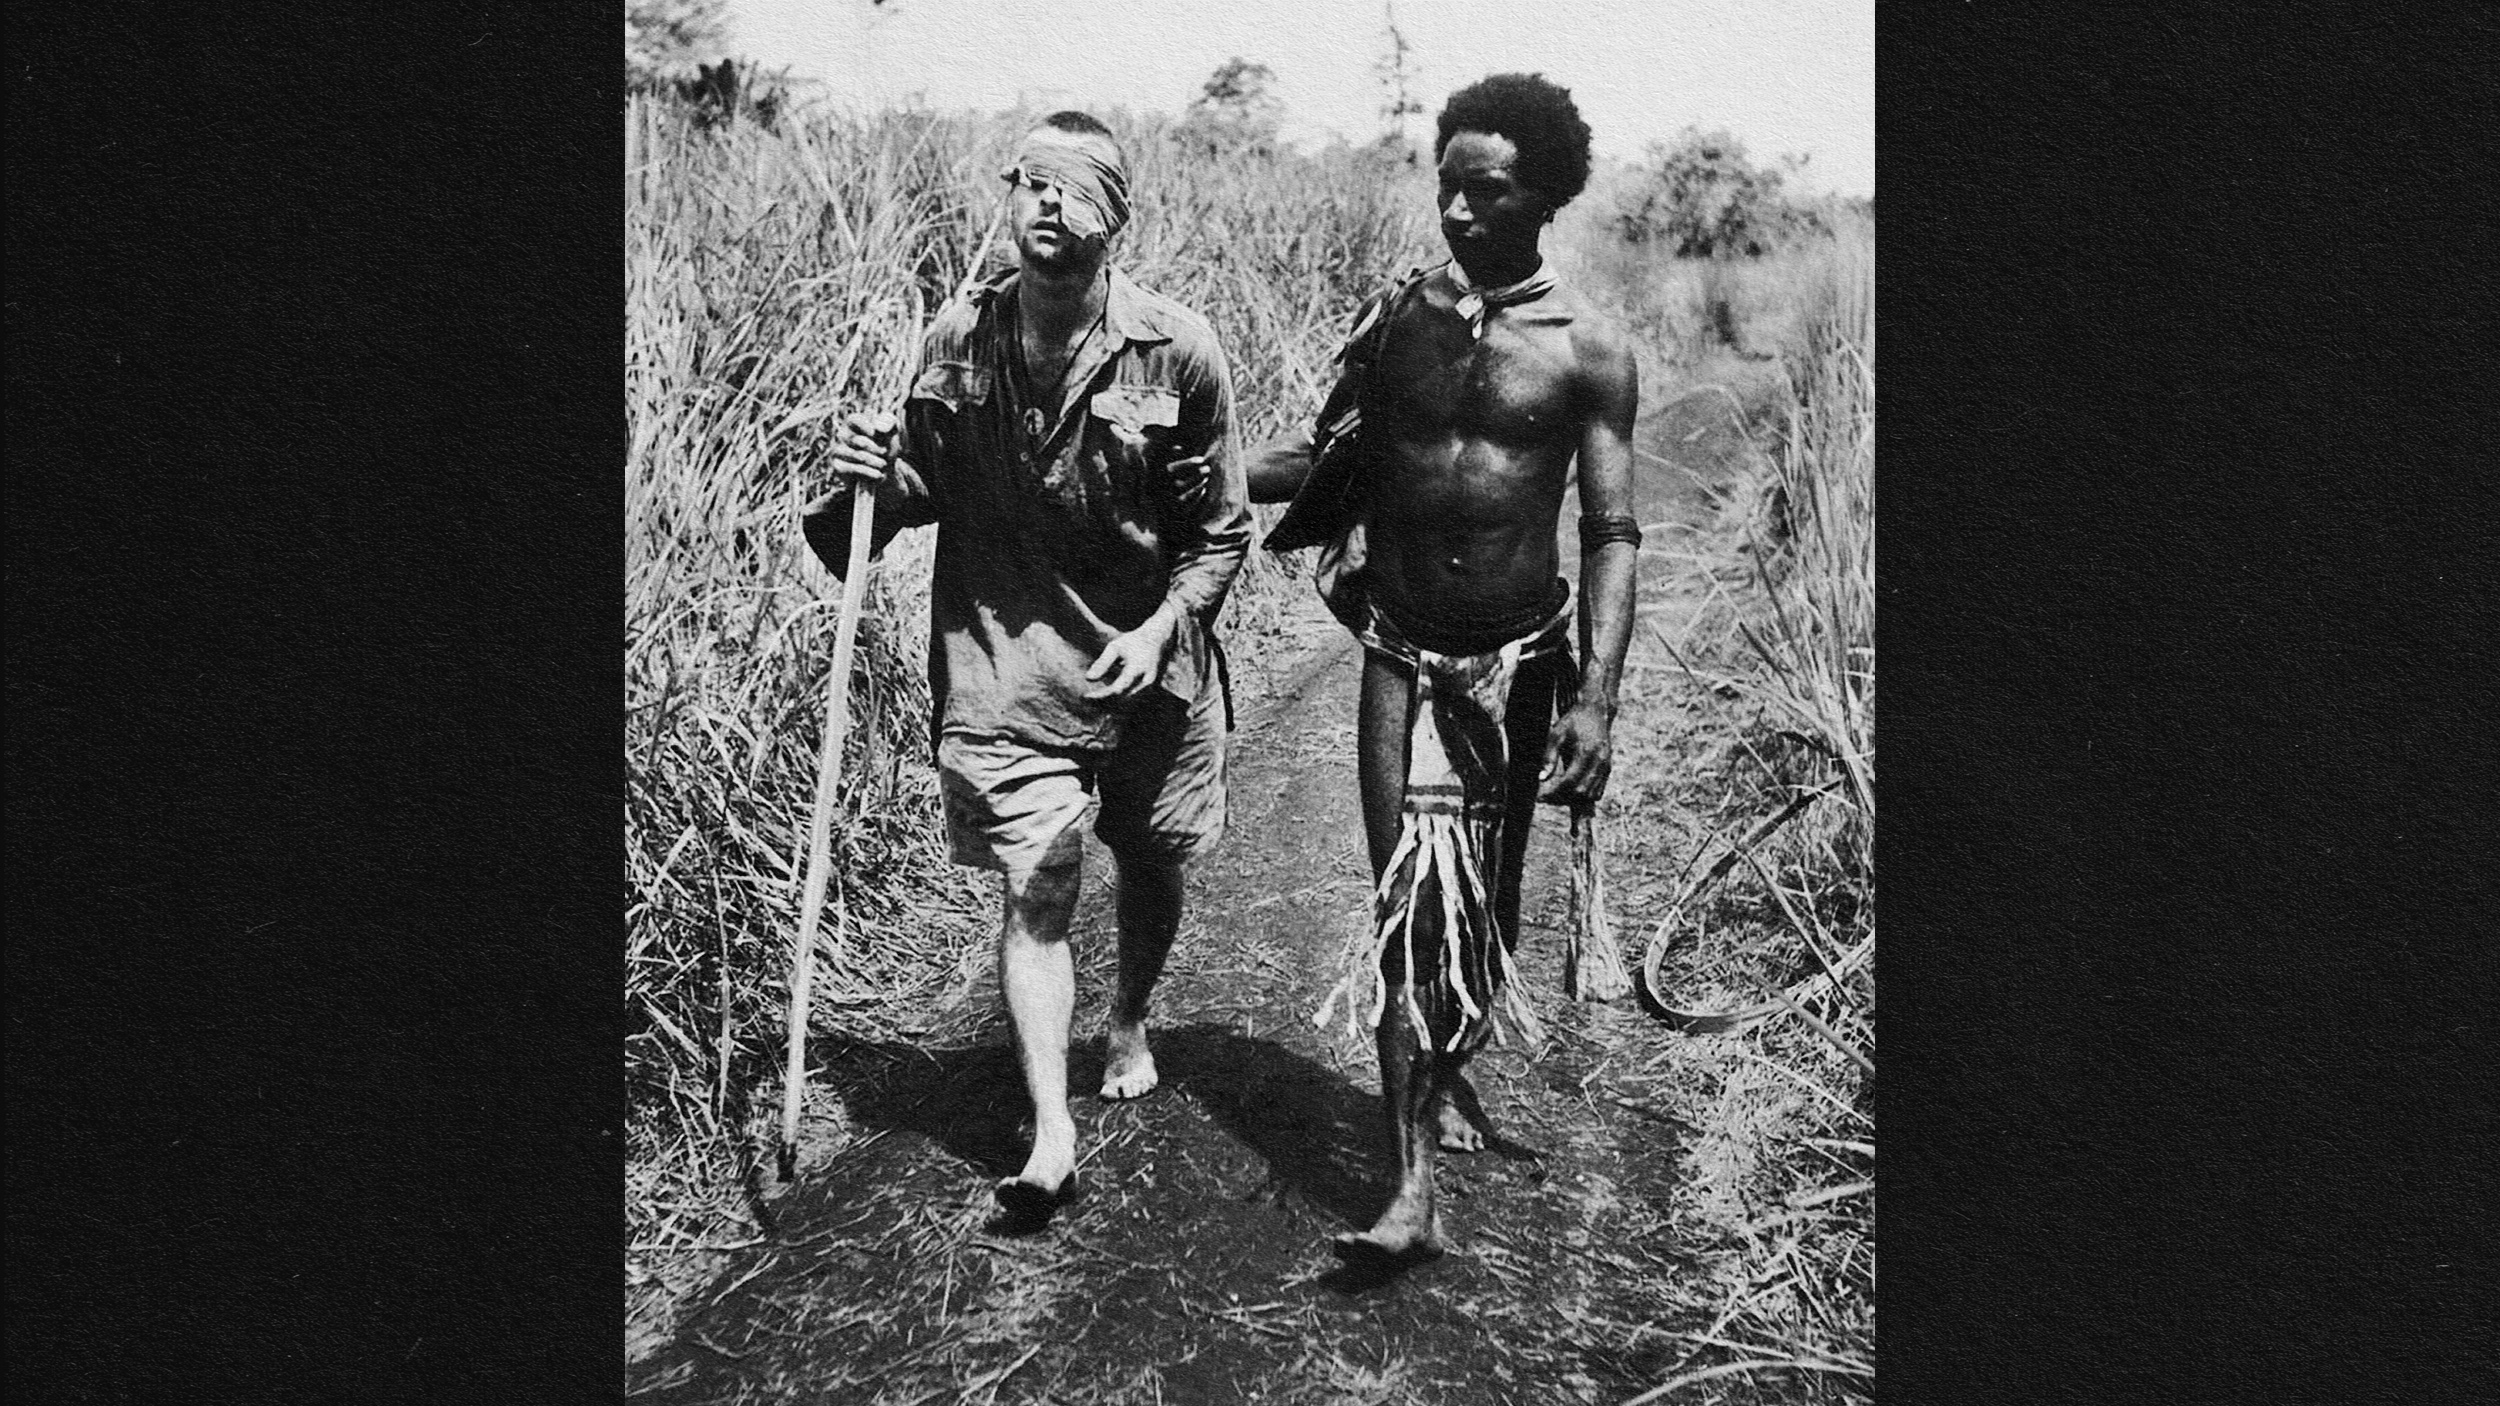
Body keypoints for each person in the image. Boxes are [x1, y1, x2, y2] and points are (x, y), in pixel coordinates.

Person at [803, 111, 1251, 1228]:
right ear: (1009, 198)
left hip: (1145, 659)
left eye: (1076, 185)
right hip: (1005, 660)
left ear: (1117, 215)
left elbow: (1222, 531)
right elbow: (897, 505)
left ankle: (1130, 1017)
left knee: (1150, 856)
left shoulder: (1177, 348)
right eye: (1031, 181)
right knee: (1040, 878)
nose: (1049, 202)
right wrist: (861, 479)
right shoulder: (955, 339)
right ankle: (1052, 1131)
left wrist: (1164, 628)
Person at [1250, 74, 1640, 1267]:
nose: (1459, 212)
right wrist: (1189, 467)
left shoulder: (1588, 351)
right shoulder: (1395, 323)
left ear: (1546, 198)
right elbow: (1318, 458)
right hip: (1400, 651)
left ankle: (1447, 1063)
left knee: (1487, 910)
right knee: (1406, 909)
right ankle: (1409, 1184)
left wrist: (1595, 698)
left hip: (1519, 664)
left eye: (1489, 191)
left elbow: (1611, 533)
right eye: (1448, 188)